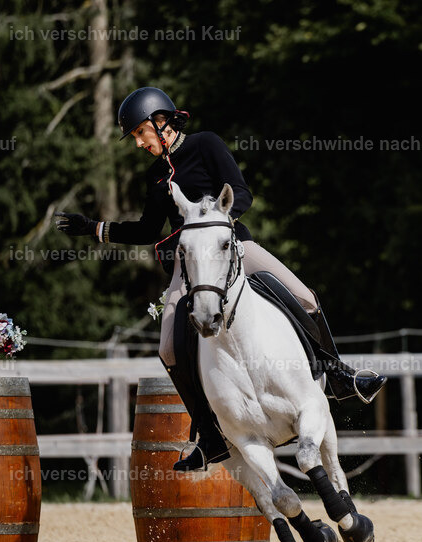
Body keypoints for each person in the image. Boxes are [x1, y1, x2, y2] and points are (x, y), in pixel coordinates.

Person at [57, 87, 386, 471]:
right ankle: (209, 435)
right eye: (135, 137)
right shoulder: (155, 175)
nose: (139, 143)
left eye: (140, 133)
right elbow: (148, 230)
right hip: (187, 265)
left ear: (160, 122)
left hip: (232, 246)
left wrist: (217, 223)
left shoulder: (206, 145)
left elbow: (241, 193)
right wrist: (94, 228)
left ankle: (340, 375)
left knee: (306, 298)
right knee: (168, 348)